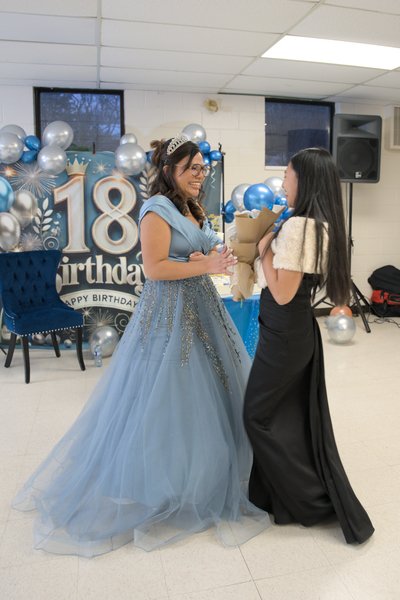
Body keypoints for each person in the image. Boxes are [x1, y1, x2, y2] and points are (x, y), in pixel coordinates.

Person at [13, 134, 269, 556]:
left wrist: (214, 256)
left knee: (208, 390)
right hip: (168, 313)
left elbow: (193, 253)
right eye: (191, 168)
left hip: (203, 308)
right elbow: (155, 268)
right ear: (169, 171)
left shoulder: (190, 208)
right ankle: (165, 481)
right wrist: (205, 263)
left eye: (202, 168)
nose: (199, 175)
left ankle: (202, 475)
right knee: (167, 393)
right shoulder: (156, 209)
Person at [244, 147, 374, 544]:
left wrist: (262, 249)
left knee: (257, 416)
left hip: (285, 332)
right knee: (288, 416)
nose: (283, 181)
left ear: (305, 179)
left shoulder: (301, 227)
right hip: (289, 331)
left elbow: (283, 293)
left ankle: (310, 500)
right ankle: (287, 498)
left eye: (287, 174)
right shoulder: (310, 223)